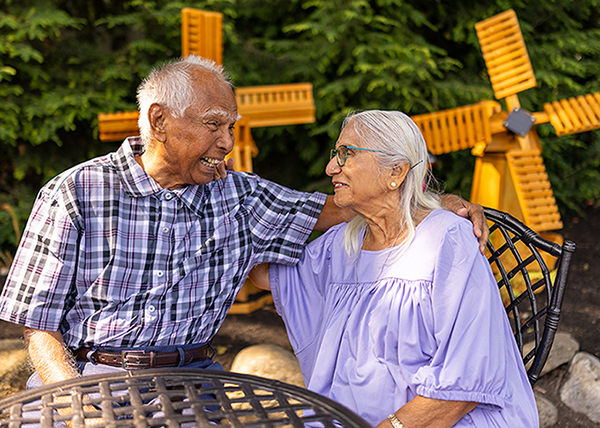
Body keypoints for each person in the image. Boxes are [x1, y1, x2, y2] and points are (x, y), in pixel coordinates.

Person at [0, 56, 487, 391]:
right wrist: (74, 401)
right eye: (214, 125)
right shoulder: (76, 192)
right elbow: (36, 326)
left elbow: (341, 205)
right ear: (160, 121)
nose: (227, 141)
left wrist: (429, 199)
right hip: (89, 377)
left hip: (195, 382)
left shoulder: (240, 195)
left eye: (230, 126)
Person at [249, 110, 538, 427]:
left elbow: (464, 384)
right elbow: (261, 273)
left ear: (397, 172)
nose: (331, 167)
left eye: (346, 154)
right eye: (335, 155)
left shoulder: (447, 240)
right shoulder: (343, 244)